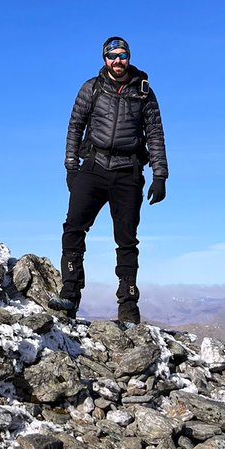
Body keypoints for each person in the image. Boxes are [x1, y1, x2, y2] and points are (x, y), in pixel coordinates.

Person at [50, 36, 168, 325]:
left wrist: (160, 175)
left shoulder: (144, 92)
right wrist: (71, 166)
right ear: (104, 59)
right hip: (94, 167)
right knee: (73, 228)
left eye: (122, 55)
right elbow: (75, 126)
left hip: (128, 172)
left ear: (129, 57)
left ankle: (128, 307)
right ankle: (69, 295)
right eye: (112, 56)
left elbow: (155, 134)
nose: (117, 61)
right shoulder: (91, 88)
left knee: (126, 240)